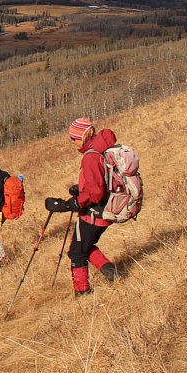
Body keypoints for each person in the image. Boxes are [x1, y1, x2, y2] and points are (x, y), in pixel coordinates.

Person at [48, 117, 121, 296]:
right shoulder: (103, 148)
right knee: (85, 246)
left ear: (81, 136)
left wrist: (71, 204)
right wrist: (80, 189)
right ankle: (111, 273)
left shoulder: (90, 156)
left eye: (73, 138)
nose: (72, 142)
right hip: (106, 209)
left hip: (94, 213)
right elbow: (100, 181)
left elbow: (95, 193)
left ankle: (83, 293)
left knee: (77, 253)